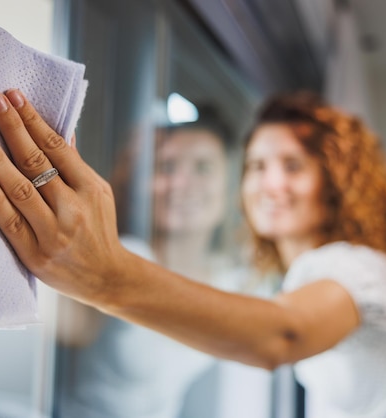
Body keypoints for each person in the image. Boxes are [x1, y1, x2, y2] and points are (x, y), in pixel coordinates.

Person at [0, 88, 386, 417]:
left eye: (292, 165)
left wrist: (107, 276)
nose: (270, 183)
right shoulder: (298, 278)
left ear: (337, 181)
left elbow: (281, 335)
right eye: (257, 166)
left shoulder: (356, 266)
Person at [54, 113, 263, 418]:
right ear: (142, 186)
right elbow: (67, 326)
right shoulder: (124, 256)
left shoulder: (230, 281)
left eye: (202, 167)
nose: (181, 183)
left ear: (231, 188)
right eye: (166, 167)